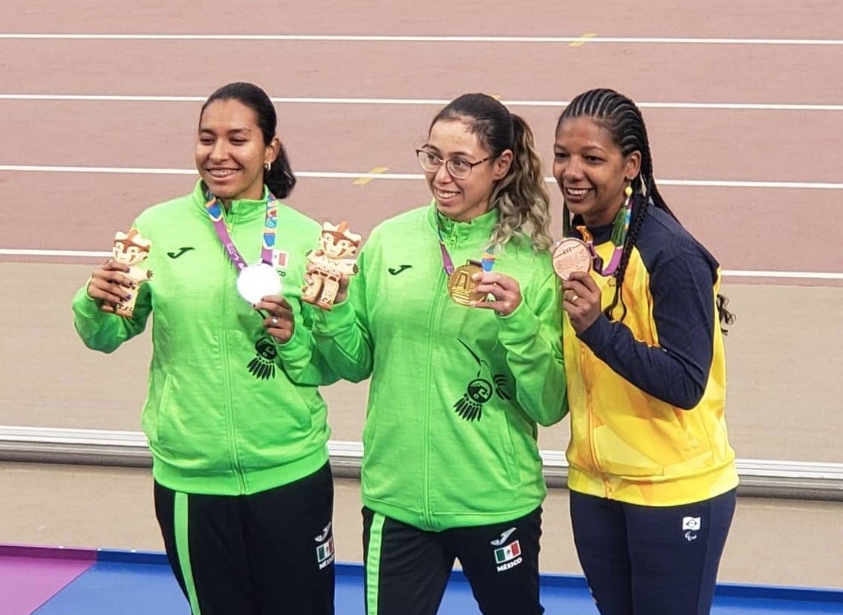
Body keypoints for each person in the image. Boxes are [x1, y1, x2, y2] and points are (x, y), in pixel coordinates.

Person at [72, 82, 337, 615]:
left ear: (270, 149)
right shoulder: (156, 227)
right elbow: (104, 336)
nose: (218, 154)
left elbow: (338, 364)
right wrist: (92, 302)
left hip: (289, 474)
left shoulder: (309, 239)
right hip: (191, 479)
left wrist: (295, 338)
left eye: (237, 139)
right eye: (206, 138)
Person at [308, 93, 568, 615]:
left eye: (460, 162)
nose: (442, 176)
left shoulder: (534, 264)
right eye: (432, 157)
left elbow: (548, 404)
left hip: (494, 499)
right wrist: (333, 308)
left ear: (501, 165)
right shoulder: (390, 241)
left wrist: (517, 318)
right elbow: (354, 363)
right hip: (397, 499)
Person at [553, 87, 738, 615]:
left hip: (674, 490)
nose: (571, 171)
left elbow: (685, 383)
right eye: (562, 155)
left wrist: (597, 330)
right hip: (597, 487)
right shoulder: (581, 243)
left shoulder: (672, 255)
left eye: (592, 158)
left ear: (631, 165)